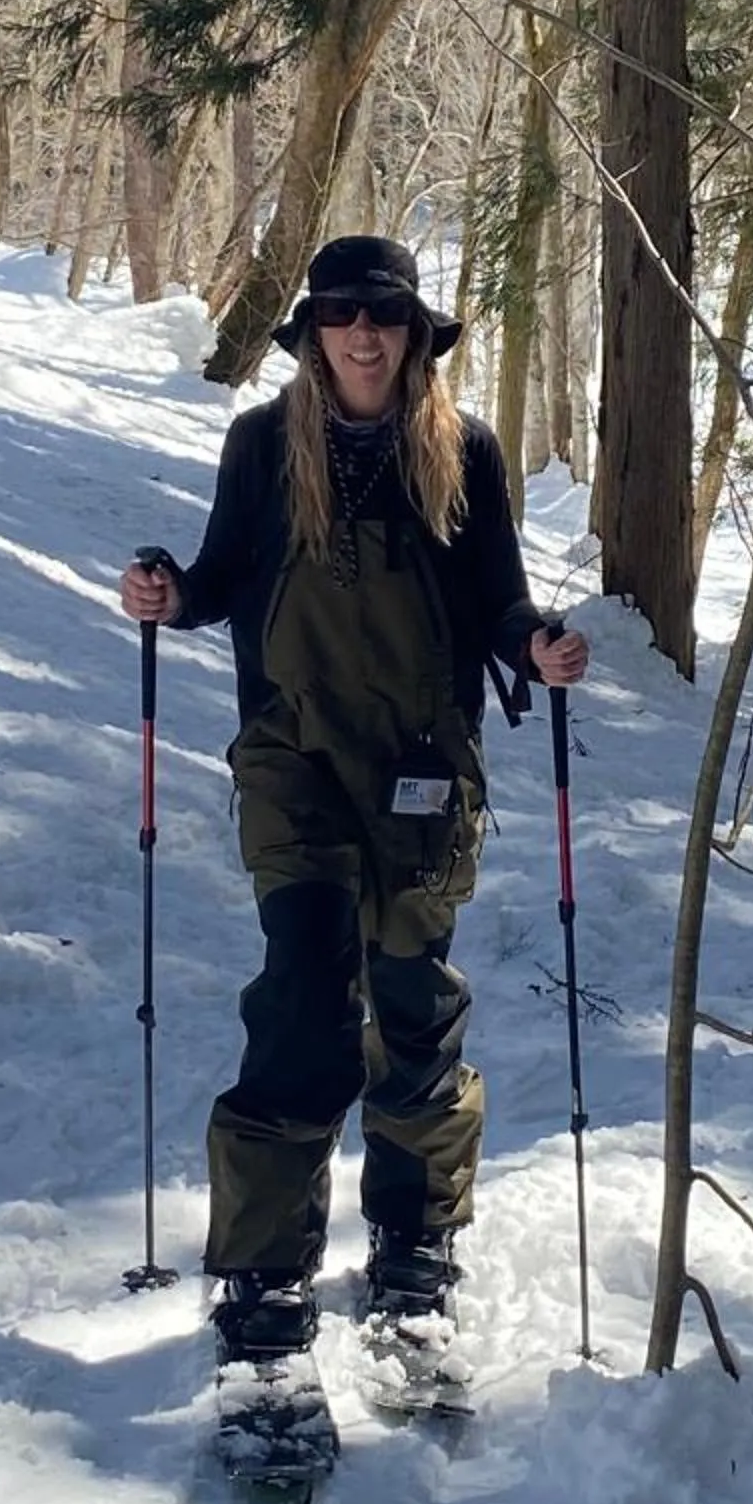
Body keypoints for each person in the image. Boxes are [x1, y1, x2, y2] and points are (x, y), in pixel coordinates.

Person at [120, 234, 589, 1363]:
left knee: (412, 999)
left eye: (383, 317)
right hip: (295, 757)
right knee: (303, 991)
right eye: (341, 318)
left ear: (414, 334)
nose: (364, 336)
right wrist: (169, 593)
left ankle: (413, 1238)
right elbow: (223, 578)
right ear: (315, 337)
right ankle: (264, 1265)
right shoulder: (262, 446)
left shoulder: (463, 453)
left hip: (424, 763)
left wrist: (538, 648)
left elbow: (496, 604)